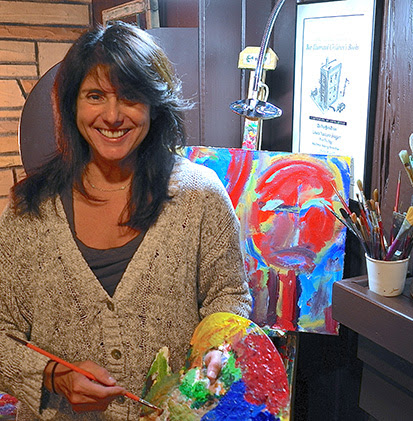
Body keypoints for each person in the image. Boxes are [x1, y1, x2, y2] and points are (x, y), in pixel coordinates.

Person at [0, 22, 252, 420]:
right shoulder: (29, 209)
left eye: (130, 97)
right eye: (95, 96)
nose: (113, 115)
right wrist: (54, 376)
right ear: (72, 104)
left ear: (154, 104)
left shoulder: (200, 195)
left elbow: (229, 297)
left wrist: (218, 353)